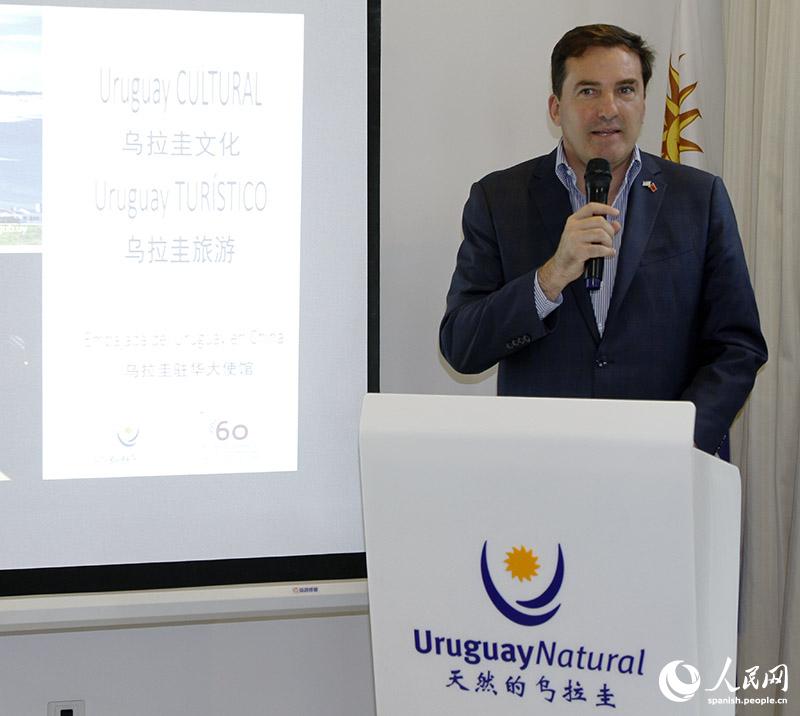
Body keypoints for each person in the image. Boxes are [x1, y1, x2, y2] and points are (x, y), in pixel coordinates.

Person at [439, 24, 767, 455]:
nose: (609, 109)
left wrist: (680, 439)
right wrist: (549, 278)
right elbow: (461, 346)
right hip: (544, 463)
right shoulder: (499, 199)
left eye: (626, 90)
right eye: (588, 91)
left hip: (667, 466)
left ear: (645, 102)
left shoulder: (699, 198)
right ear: (556, 108)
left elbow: (738, 346)